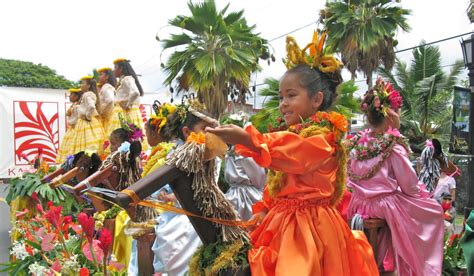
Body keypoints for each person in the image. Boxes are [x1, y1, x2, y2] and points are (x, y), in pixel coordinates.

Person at [207, 32, 378, 275]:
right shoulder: (292, 134)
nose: (283, 103)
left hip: (312, 226)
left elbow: (298, 156)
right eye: (281, 97)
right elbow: (277, 181)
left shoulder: (324, 138)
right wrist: (265, 209)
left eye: (291, 95)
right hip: (281, 221)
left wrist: (250, 140)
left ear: (316, 99)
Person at [346, 78, 444, 274]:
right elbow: (409, 186)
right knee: (434, 211)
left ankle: (383, 259)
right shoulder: (393, 146)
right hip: (384, 205)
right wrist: (419, 193)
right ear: (390, 115)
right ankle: (417, 266)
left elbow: (351, 179)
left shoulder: (356, 143)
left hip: (358, 203)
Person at [150, 102, 220, 275]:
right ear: (187, 132)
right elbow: (161, 185)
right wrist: (164, 194)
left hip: (201, 211)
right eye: (205, 128)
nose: (211, 133)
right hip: (175, 214)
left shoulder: (211, 155)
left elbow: (210, 186)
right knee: (171, 239)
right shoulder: (176, 154)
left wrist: (178, 198)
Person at [221, 112, 266, 221]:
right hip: (249, 195)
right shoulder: (244, 154)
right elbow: (259, 179)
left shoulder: (232, 154)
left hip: (234, 195)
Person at [108, 58, 147, 150]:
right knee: (123, 139)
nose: (113, 70)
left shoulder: (127, 79)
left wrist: (128, 104)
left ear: (121, 69)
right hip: (122, 111)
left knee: (124, 139)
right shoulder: (123, 80)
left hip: (125, 112)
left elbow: (135, 92)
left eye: (115, 67)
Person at [67, 76, 106, 155]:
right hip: (88, 122)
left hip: (86, 123)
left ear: (88, 86)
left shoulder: (87, 94)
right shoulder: (90, 94)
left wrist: (87, 116)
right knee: (87, 142)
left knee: (85, 143)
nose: (81, 85)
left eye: (82, 83)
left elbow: (91, 106)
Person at [56, 88, 81, 164]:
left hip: (74, 129)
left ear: (76, 97)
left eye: (71, 95)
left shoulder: (77, 107)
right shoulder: (74, 105)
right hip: (71, 129)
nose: (69, 96)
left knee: (71, 148)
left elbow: (76, 119)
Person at [97, 67, 116, 132]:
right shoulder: (109, 87)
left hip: (106, 119)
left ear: (107, 76)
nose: (99, 77)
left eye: (101, 74)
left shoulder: (106, 86)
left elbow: (110, 100)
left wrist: (101, 111)